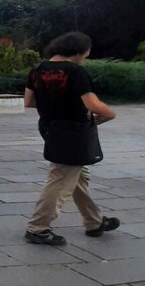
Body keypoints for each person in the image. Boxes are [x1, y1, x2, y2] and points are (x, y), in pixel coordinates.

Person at [23, 31, 120, 246]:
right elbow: (93, 104)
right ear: (78, 51)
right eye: (86, 54)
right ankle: (38, 227)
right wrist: (109, 114)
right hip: (73, 131)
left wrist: (54, 105)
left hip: (50, 127)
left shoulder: (37, 70)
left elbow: (28, 102)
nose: (85, 58)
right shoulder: (75, 71)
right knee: (61, 178)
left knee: (78, 177)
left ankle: (94, 221)